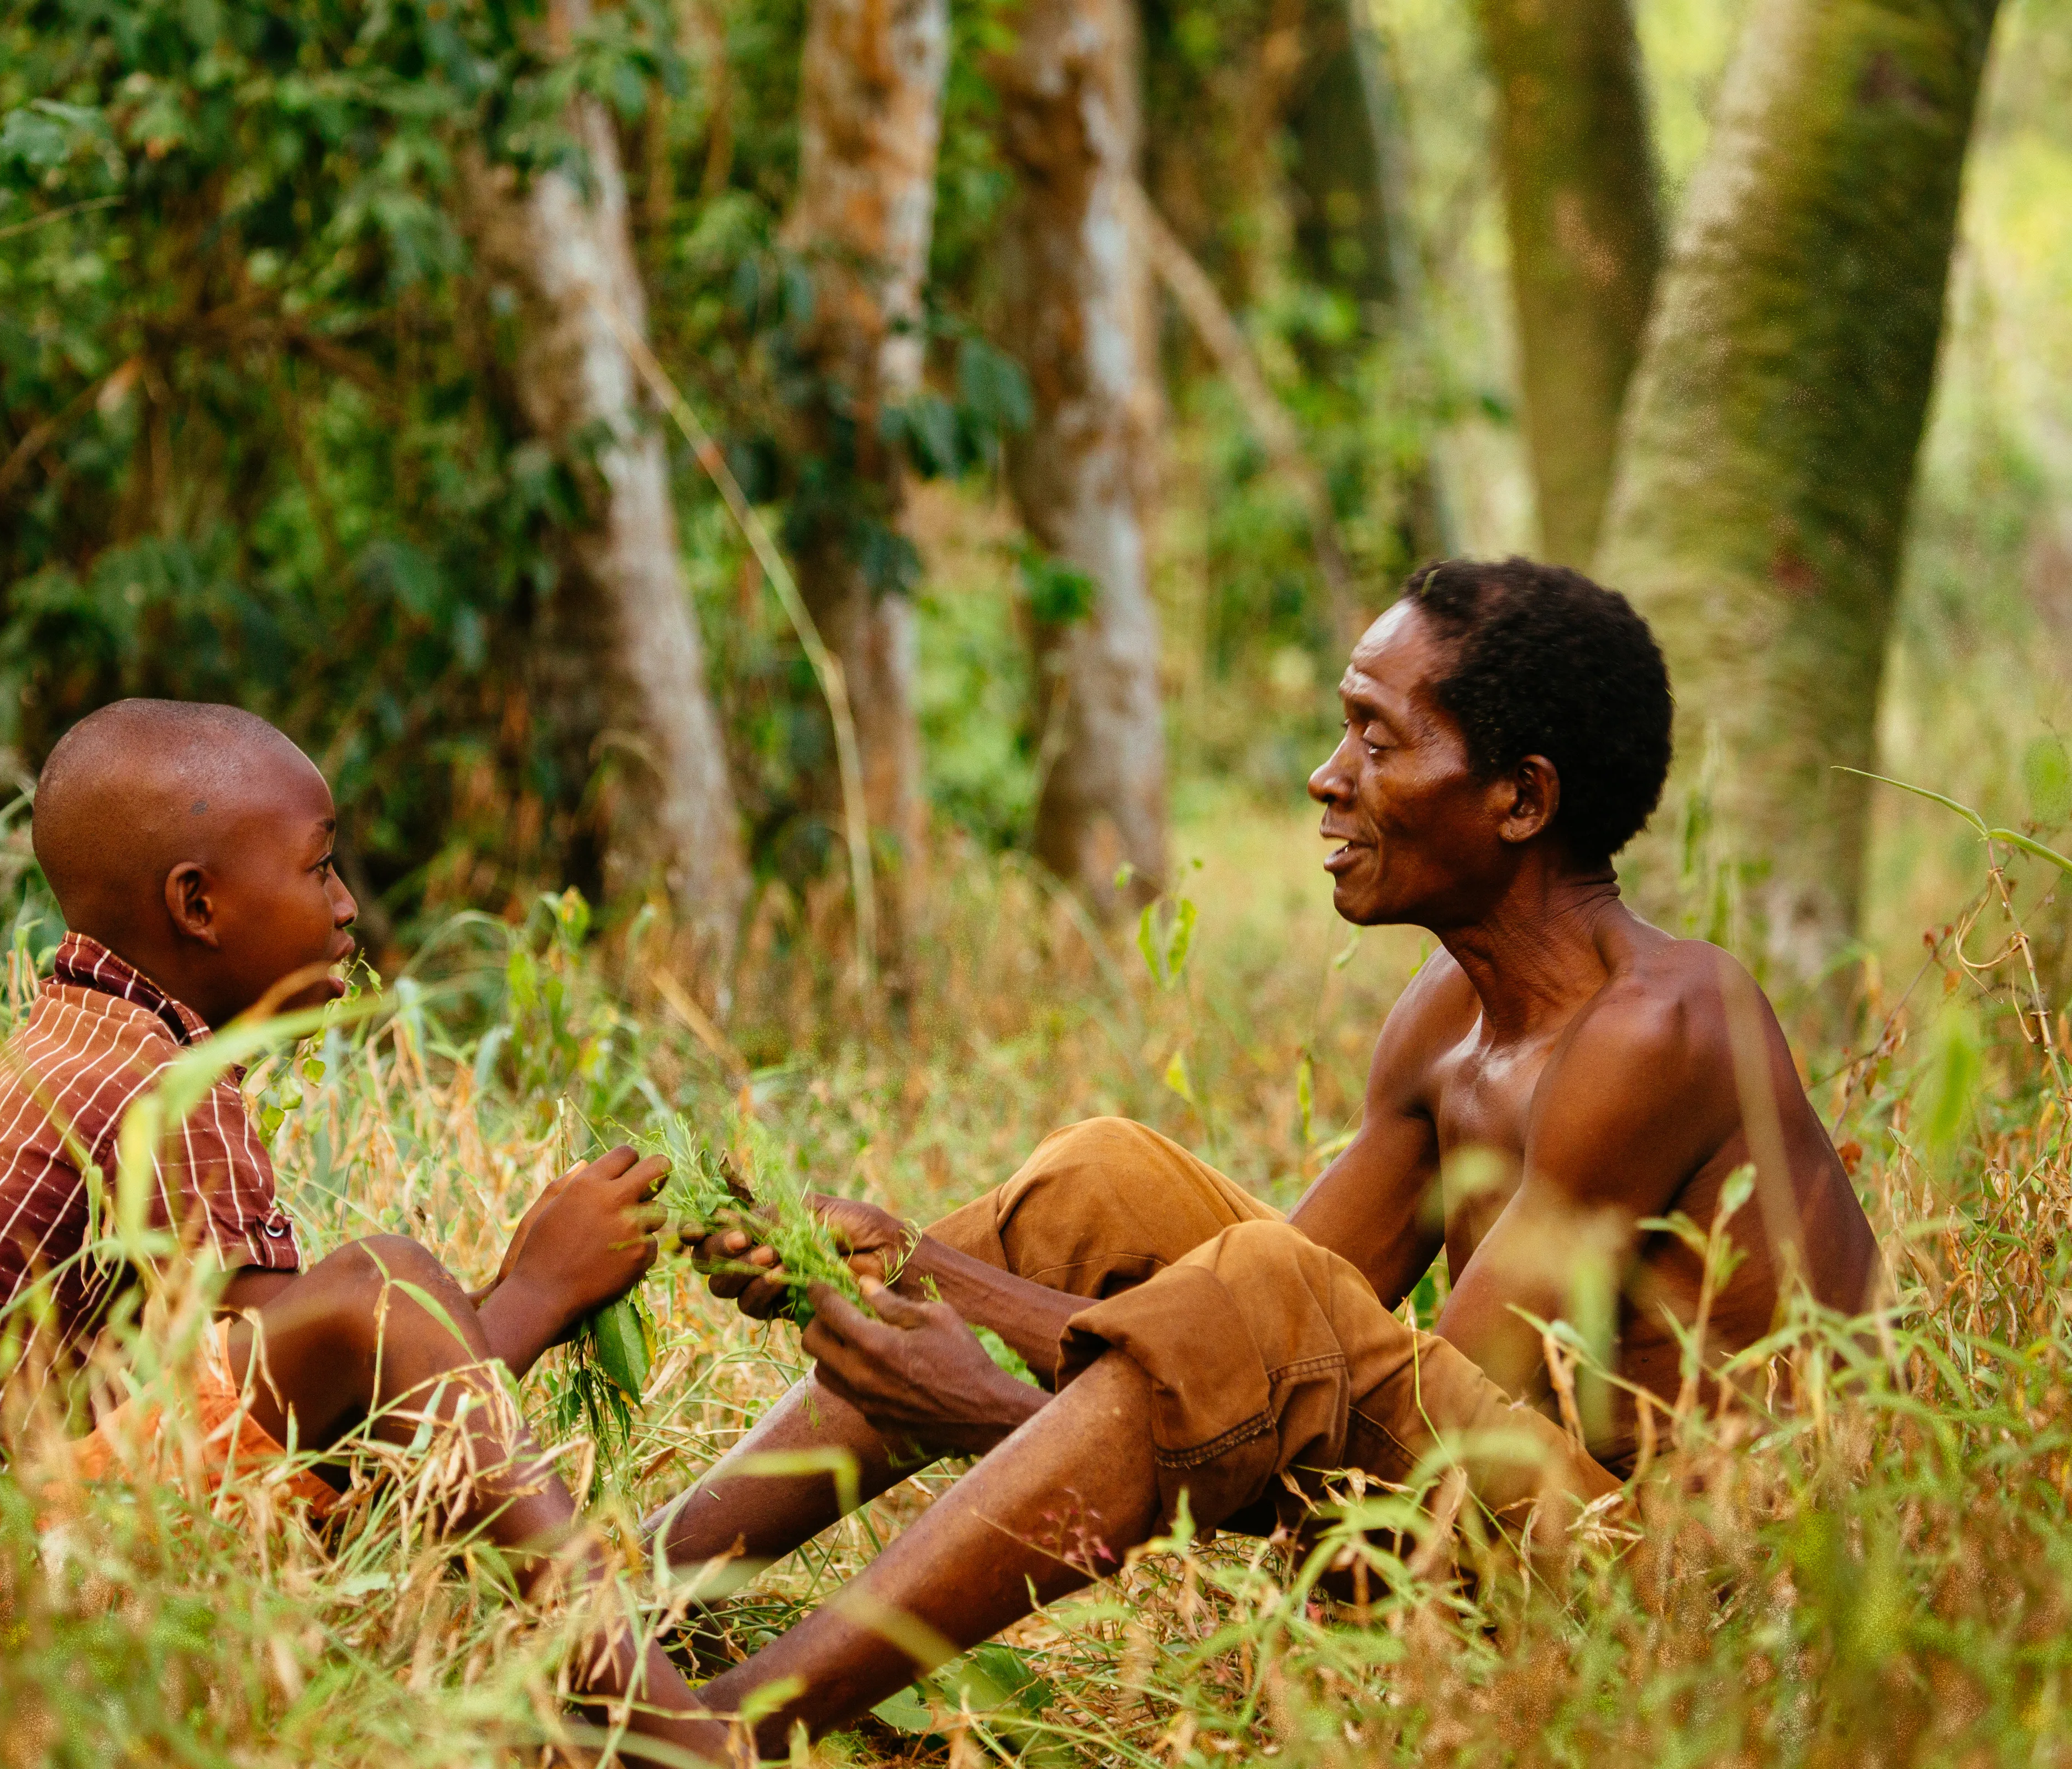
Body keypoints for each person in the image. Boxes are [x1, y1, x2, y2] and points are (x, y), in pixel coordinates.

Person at [655, 559, 1882, 1757]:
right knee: (1105, 1177)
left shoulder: (1663, 1028)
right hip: (1498, 1502)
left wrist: (997, 1397)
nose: (1326, 778)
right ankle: (630, 1599)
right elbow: (1281, 1342)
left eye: (1376, 740)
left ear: (1520, 799)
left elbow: (1383, 1461)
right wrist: (921, 1270)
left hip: (1673, 1605)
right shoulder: (1450, 1017)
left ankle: (725, 1732)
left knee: (1260, 1290)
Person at [0, 698, 729, 1760]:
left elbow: (291, 1421)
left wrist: (487, 1298)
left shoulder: (87, 1039)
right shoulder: (158, 1085)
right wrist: (536, 1289)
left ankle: (618, 1701)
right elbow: (342, 1423)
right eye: (319, 869)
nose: (348, 907)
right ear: (198, 904)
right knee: (382, 1284)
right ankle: (676, 1742)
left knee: (384, 1298)